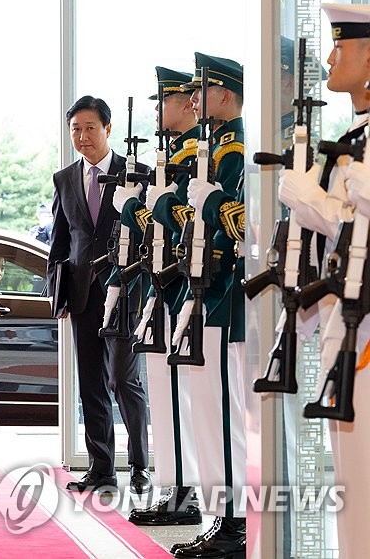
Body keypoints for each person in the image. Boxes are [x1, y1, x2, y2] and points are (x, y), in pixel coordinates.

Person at [292, 3, 370, 558]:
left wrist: (311, 201)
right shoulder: (355, 136)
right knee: (351, 478)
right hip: (342, 323)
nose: (330, 56)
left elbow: (354, 222)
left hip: (365, 329)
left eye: (342, 46)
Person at [112, 67, 203, 527]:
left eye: (163, 101)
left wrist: (136, 208)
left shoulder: (200, 156)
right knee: (167, 399)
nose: (156, 110)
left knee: (179, 400)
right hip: (160, 288)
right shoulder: (176, 153)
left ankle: (184, 495)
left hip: (177, 288)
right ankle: (175, 489)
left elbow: (182, 224)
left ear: (188, 104)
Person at [47, 95, 150, 495]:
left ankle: (140, 464)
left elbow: (147, 233)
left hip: (125, 289)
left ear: (108, 129)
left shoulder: (135, 173)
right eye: (75, 129)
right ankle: (101, 467)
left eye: (90, 128)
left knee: (124, 379)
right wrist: (58, 295)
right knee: (89, 382)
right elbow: (60, 240)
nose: (83, 136)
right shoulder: (65, 178)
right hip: (81, 294)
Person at [166, 53, 248, 558]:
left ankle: (235, 521)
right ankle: (222, 515)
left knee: (221, 412)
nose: (193, 99)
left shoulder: (236, 147)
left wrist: (210, 202)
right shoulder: (213, 146)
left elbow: (240, 224)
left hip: (224, 292)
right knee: (207, 410)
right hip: (200, 289)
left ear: (223, 94)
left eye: (201, 91)